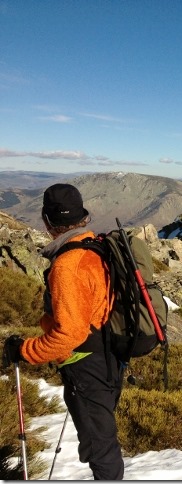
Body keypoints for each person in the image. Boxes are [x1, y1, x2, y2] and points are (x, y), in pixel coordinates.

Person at [1, 183, 125, 480]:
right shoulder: (96, 246)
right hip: (109, 355)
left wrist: (24, 350)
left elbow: (68, 335)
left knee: (100, 446)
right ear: (83, 216)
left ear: (46, 220)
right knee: (102, 439)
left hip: (87, 365)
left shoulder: (68, 265)